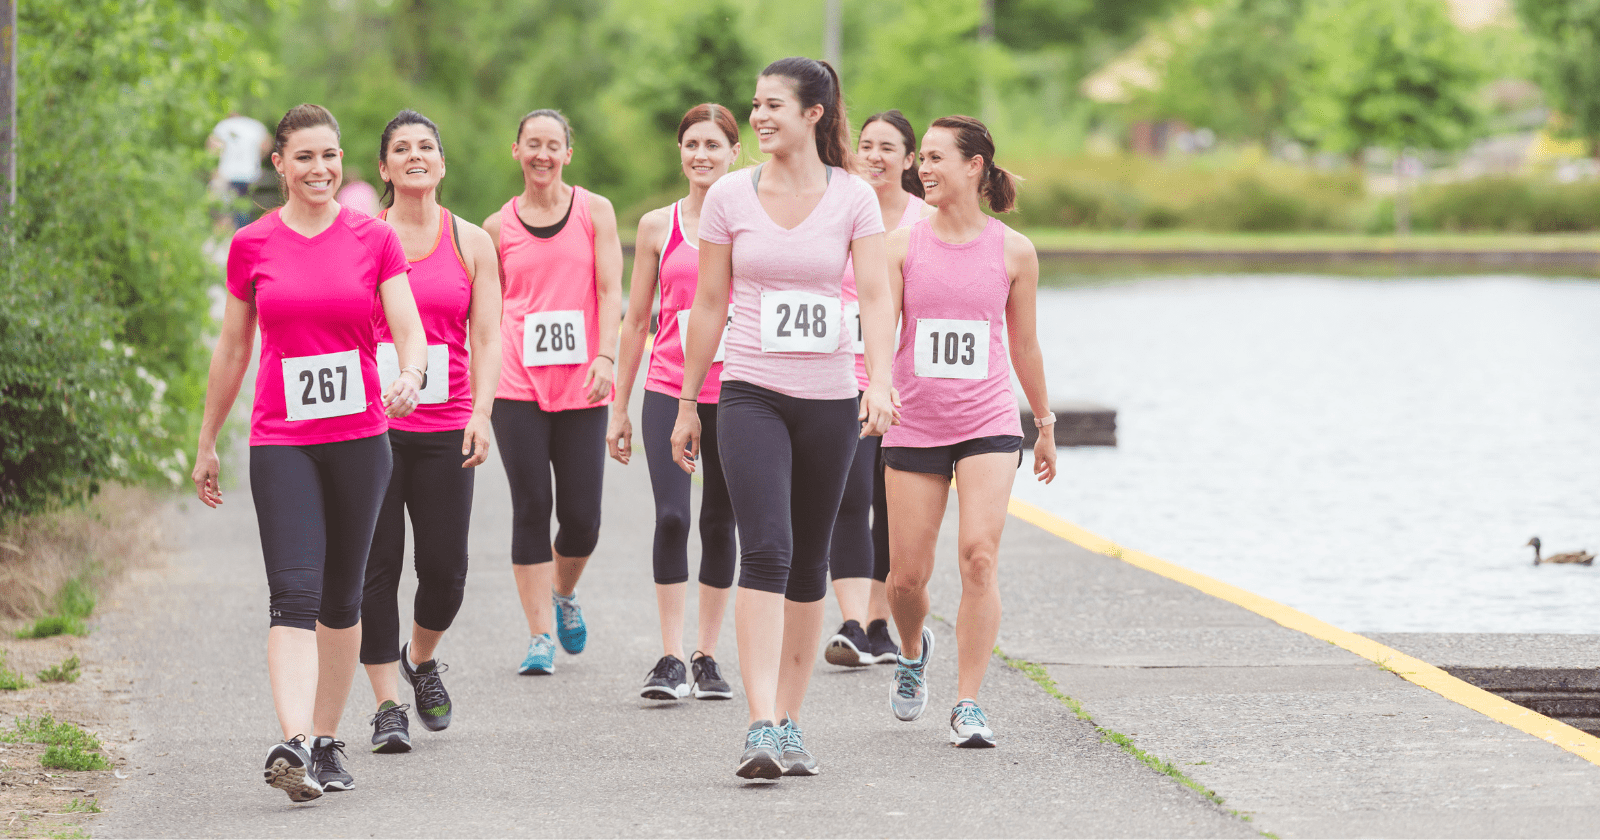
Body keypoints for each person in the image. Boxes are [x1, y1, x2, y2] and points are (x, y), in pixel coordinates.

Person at [191, 103, 428, 800]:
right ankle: (292, 742)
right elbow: (234, 348)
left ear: (342, 161)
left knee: (340, 599)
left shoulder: (373, 239)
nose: (320, 169)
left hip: (360, 440)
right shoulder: (253, 245)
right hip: (283, 442)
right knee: (292, 593)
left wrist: (409, 376)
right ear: (280, 165)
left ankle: (326, 740)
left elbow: (408, 328)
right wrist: (208, 440)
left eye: (330, 156)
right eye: (305, 158)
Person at [670, 57, 898, 780]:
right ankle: (759, 722)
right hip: (750, 394)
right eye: (756, 105)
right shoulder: (730, 196)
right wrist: (686, 399)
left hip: (830, 398)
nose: (759, 117)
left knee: (809, 559)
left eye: (773, 105)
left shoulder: (854, 198)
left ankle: (792, 722)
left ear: (814, 113)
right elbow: (709, 303)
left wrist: (880, 383)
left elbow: (877, 296)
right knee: (763, 544)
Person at [881, 115, 1057, 748]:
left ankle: (969, 702)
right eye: (920, 159)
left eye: (934, 158)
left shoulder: (1014, 251)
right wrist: (877, 385)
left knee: (980, 555)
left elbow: (1024, 343)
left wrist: (1044, 422)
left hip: (987, 422)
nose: (922, 168)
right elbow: (879, 332)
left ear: (974, 166)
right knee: (906, 579)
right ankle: (910, 649)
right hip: (915, 425)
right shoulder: (900, 248)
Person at [359, 110, 502, 753]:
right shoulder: (362, 238)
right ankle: (387, 703)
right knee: (377, 567)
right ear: (384, 169)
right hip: (372, 431)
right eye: (401, 149)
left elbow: (489, 335)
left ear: (442, 164)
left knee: (445, 571)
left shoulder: (470, 242)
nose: (416, 156)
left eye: (427, 147)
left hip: (448, 425)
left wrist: (483, 413)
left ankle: (419, 659)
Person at [483, 109, 623, 675]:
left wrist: (607, 354)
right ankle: (540, 634)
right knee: (532, 505)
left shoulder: (596, 212)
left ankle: (564, 593)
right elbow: (487, 312)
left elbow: (611, 289)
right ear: (515, 151)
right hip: (517, 382)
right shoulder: (496, 228)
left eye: (553, 145)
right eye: (532, 144)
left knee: (583, 517)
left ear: (569, 153)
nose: (542, 154)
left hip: (583, 381)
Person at [608, 104, 740, 703]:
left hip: (738, 393)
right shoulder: (659, 226)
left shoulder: (752, 222)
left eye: (713, 144)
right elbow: (636, 321)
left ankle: (707, 655)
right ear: (680, 152)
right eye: (691, 144)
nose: (701, 155)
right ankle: (668, 656)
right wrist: (618, 406)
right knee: (672, 516)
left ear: (735, 153)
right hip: (668, 388)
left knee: (720, 520)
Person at [823, 110, 926, 669]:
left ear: (910, 159)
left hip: (905, 389)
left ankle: (883, 623)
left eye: (889, 148)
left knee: (891, 509)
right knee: (849, 496)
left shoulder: (924, 221)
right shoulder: (842, 212)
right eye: (867, 145)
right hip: (845, 379)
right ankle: (852, 623)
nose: (876, 156)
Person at [209, 112, 271, 229]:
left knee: (226, 207)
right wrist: (258, 160)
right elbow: (267, 145)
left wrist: (215, 164)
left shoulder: (224, 125)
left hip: (228, 173)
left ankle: (229, 236)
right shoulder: (255, 126)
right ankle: (244, 234)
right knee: (244, 207)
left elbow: (212, 146)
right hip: (249, 174)